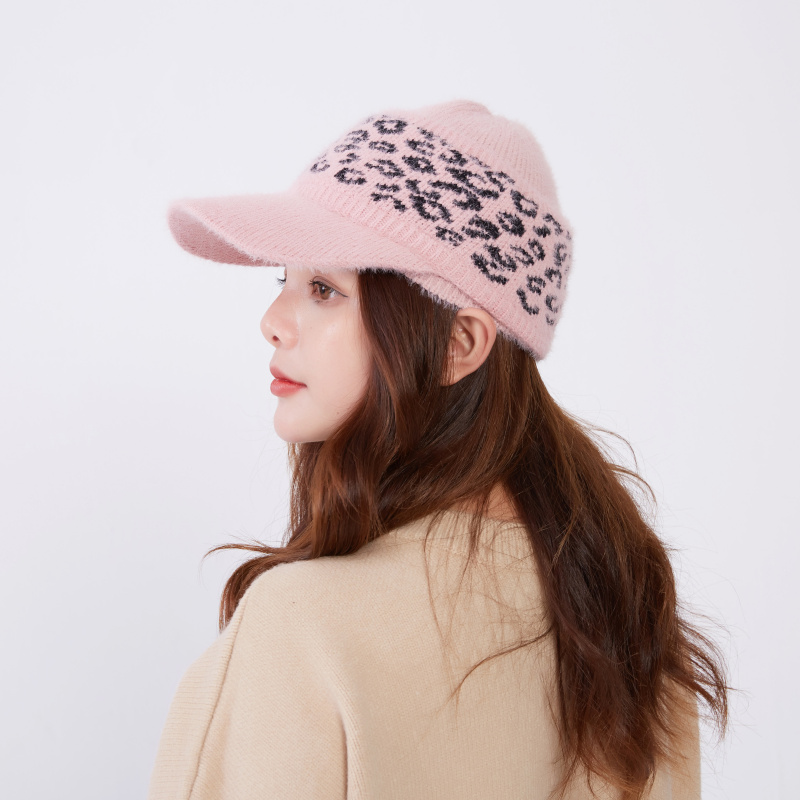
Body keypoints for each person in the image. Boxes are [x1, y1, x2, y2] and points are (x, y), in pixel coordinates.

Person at [148, 99, 728, 799]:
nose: (272, 321)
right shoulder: (625, 610)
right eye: (285, 281)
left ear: (461, 343)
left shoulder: (301, 628)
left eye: (325, 288)